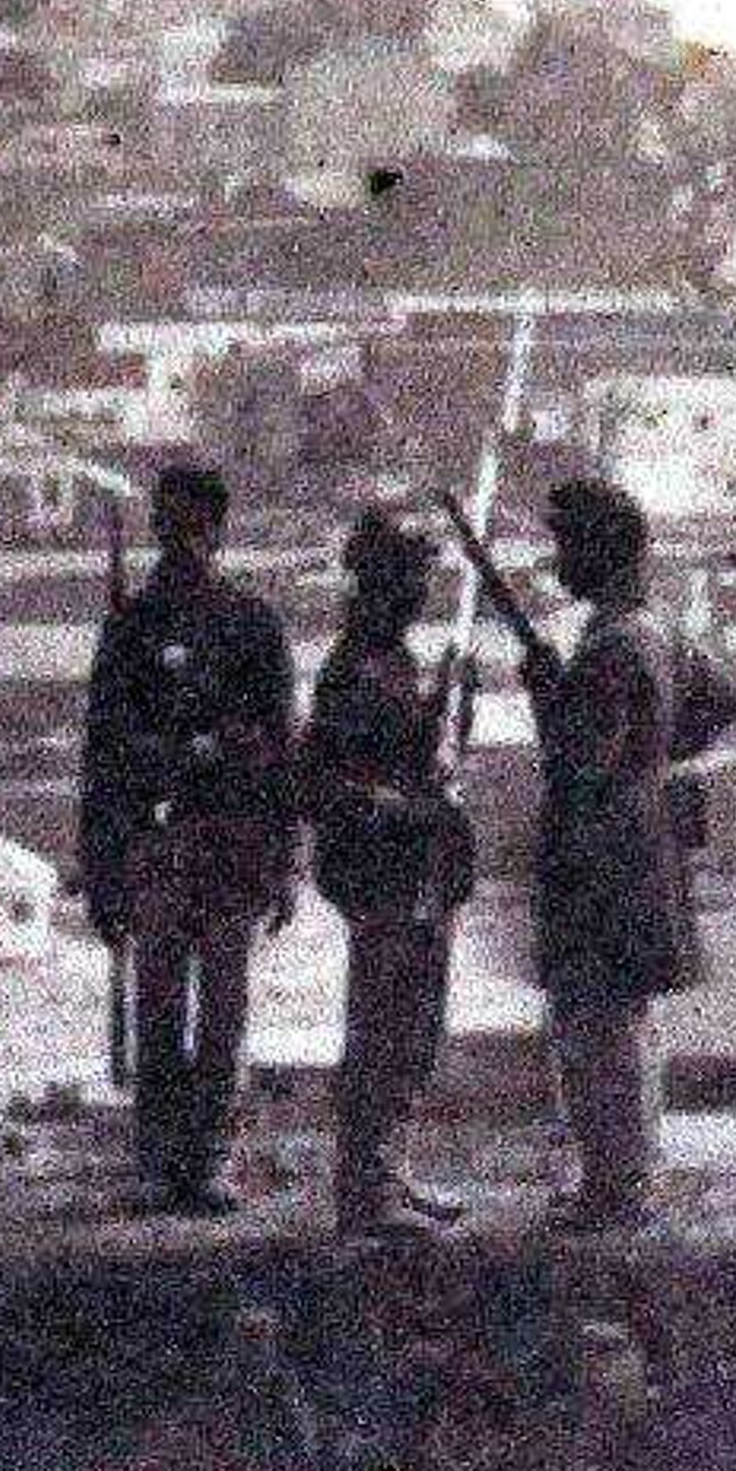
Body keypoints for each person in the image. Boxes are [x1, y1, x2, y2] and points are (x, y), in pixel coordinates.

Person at [77, 465, 298, 1212]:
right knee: (160, 1008)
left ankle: (209, 1157)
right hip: (158, 845)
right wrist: (102, 869)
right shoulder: (131, 629)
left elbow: (281, 751)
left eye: (191, 530)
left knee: (226, 1013)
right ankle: (158, 1157)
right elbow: (102, 759)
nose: (177, 546)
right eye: (166, 529)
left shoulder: (254, 624)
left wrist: (285, 860)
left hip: (232, 846)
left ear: (217, 531)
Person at [522, 477, 736, 1229]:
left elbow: (579, 761)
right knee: (623, 1021)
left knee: (594, 1024)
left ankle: (612, 1191)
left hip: (599, 860)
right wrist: (654, 756)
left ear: (600, 551)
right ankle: (626, 1181)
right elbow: (718, 705)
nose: (558, 561)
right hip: (638, 848)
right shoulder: (657, 629)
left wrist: (549, 697)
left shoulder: (613, 645)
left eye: (568, 544)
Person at [301, 509, 476, 1238]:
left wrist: (449, 706)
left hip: (417, 872)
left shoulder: (397, 660)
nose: (419, 592)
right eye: (409, 577)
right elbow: (322, 781)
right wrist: (400, 804)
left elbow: (426, 756)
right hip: (384, 874)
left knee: (412, 1031)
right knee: (381, 1030)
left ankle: (387, 1171)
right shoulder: (353, 669)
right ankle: (367, 1188)